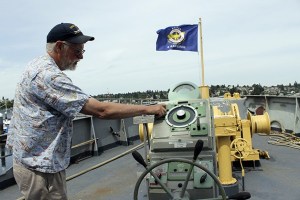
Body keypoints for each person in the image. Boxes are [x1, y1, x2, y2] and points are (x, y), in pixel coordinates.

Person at [6, 22, 166, 200]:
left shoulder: (37, 65)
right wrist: (149, 108)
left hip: (40, 159)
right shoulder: (47, 75)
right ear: (59, 46)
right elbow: (101, 110)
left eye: (82, 51)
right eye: (77, 51)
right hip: (37, 165)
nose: (81, 57)